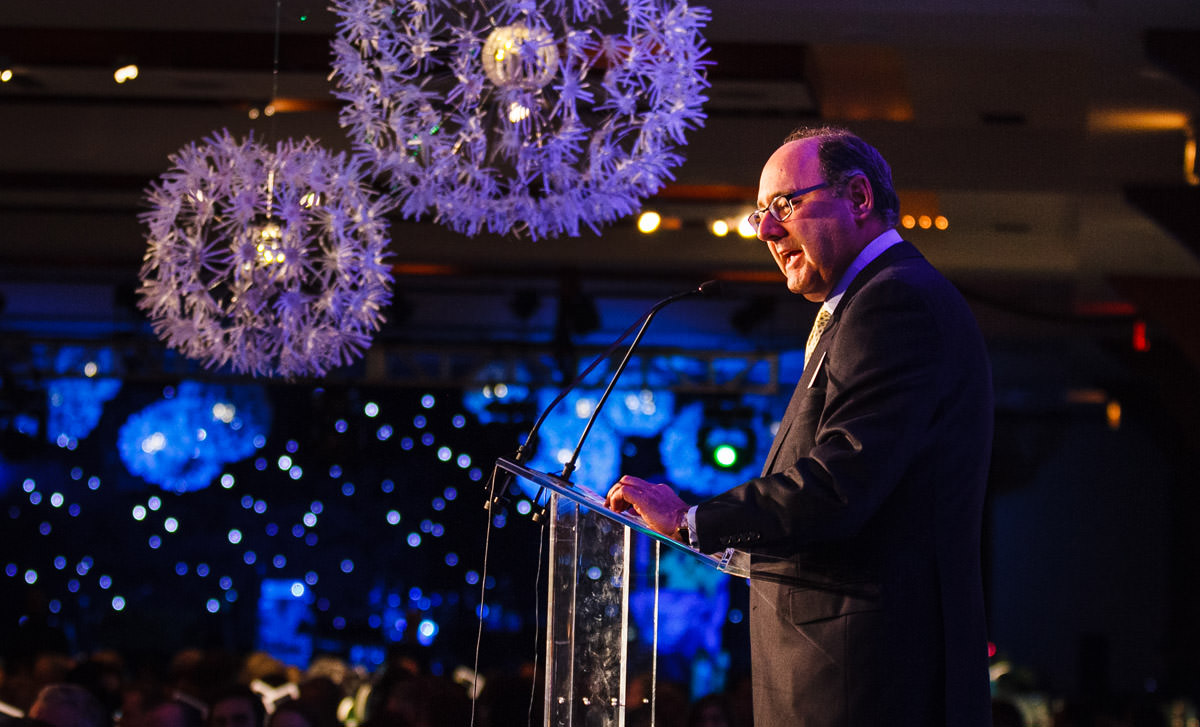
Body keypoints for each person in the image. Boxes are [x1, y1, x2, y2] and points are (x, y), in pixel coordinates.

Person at [606, 126, 994, 726]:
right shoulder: (870, 303)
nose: (764, 231)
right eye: (760, 212)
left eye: (784, 205)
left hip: (863, 678)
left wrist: (691, 522)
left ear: (859, 198)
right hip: (850, 671)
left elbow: (840, 487)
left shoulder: (894, 303)